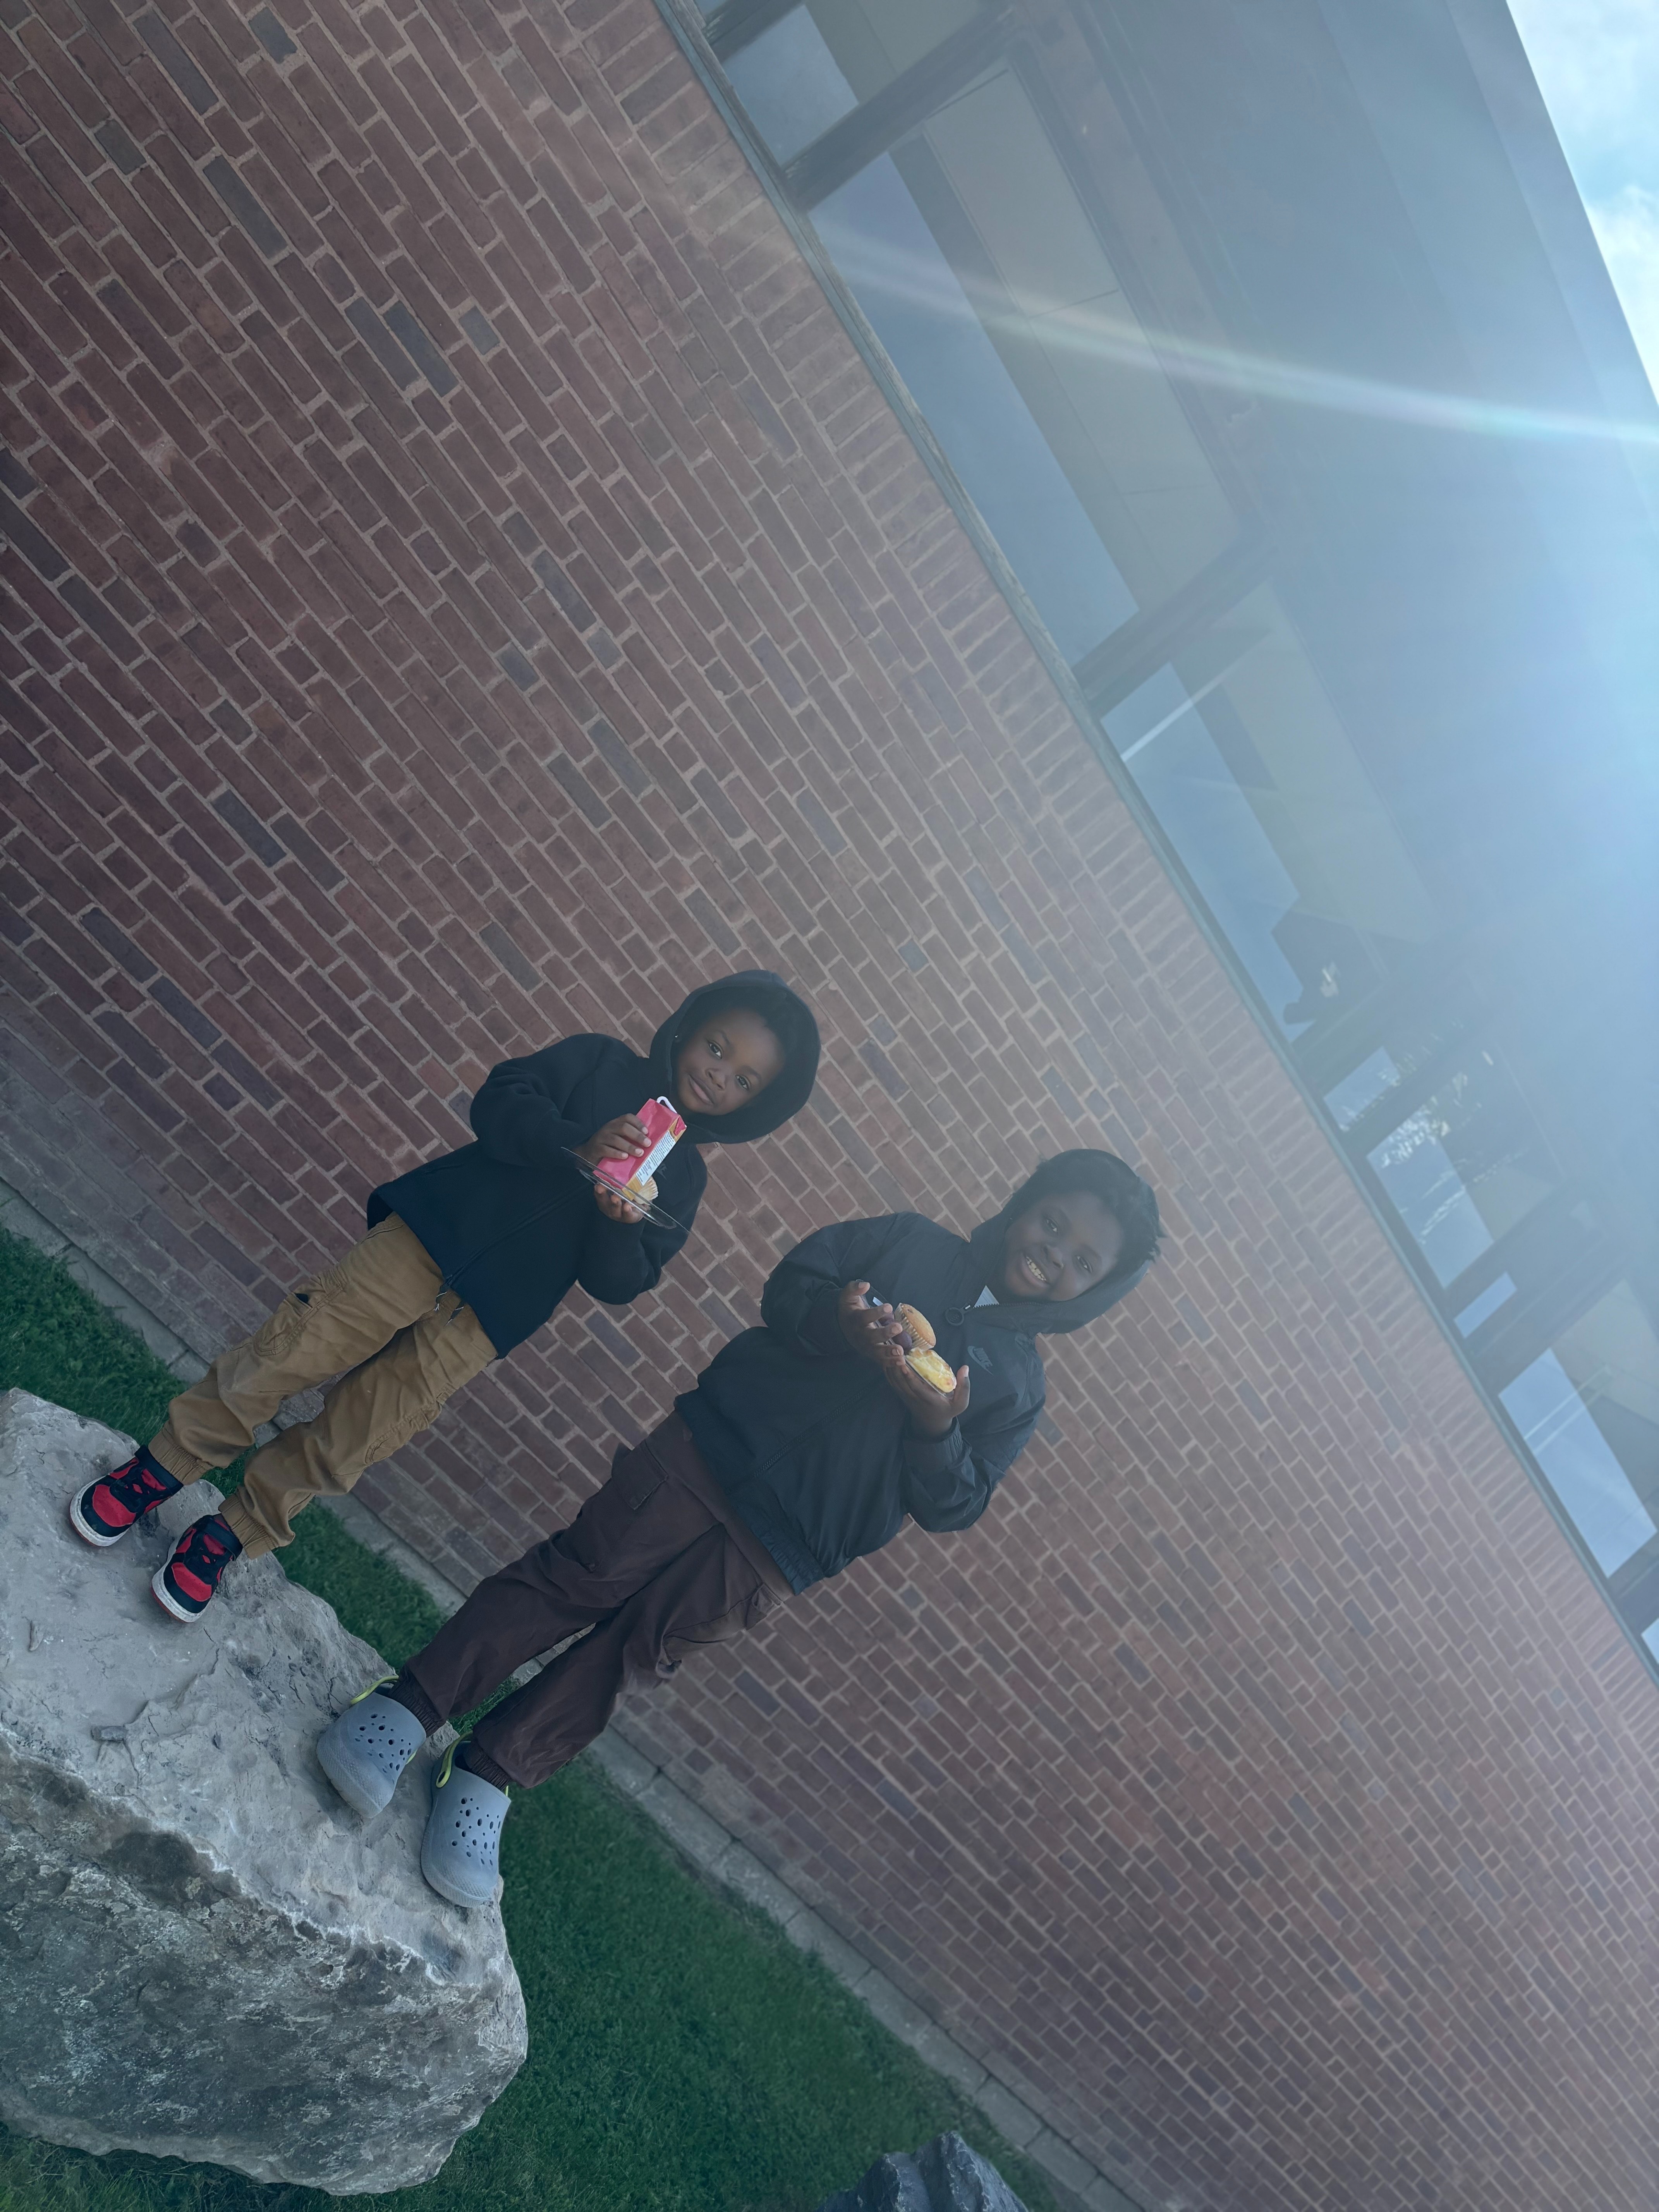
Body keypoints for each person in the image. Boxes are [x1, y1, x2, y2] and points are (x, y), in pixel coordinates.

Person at [315, 1149, 1160, 1907]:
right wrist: (840, 1320)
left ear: (1093, 1294)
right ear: (1024, 1204)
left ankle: (489, 1772)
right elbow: (791, 1286)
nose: (1054, 1255)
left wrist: (936, 1429)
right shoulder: (912, 1242)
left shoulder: (1017, 1388)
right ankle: (411, 1704)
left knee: (636, 1654)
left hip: (789, 1544)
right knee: (575, 1577)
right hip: (710, 1447)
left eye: (1083, 1262)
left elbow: (956, 1505)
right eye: (1054, 1224)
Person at [67, 972, 820, 1621]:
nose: (719, 1075)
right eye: (717, 1048)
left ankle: (232, 1532)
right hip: (427, 1237)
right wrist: (575, 1145)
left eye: (744, 1080)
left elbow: (620, 1283)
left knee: (359, 1433)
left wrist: (617, 1224)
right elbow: (498, 1101)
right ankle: (161, 1467)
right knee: (289, 1353)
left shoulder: (682, 1181)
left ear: (755, 1107)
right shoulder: (599, 1063)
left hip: (486, 1320)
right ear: (689, 1027)